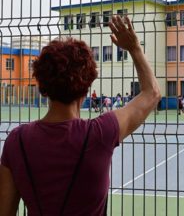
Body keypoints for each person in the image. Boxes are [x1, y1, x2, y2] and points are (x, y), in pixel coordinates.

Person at [0, 15, 161, 215]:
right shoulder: (101, 133)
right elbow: (152, 93)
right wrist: (135, 48)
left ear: (42, 85)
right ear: (86, 88)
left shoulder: (16, 141)